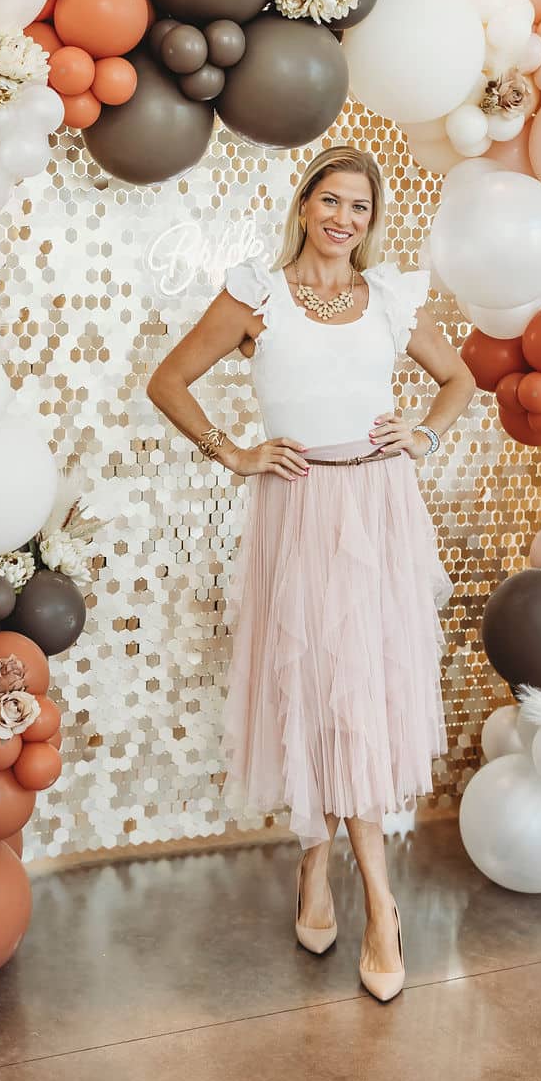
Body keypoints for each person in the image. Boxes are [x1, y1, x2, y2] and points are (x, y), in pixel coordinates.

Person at [147, 144, 475, 1002]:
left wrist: (427, 434)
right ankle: (315, 861)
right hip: (296, 509)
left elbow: (458, 379)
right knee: (310, 683)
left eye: (359, 207)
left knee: (361, 690)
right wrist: (237, 453)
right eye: (330, 201)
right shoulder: (258, 294)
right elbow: (169, 379)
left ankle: (380, 900)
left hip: (378, 508)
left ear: (372, 219)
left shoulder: (391, 298)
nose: (343, 219)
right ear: (303, 206)